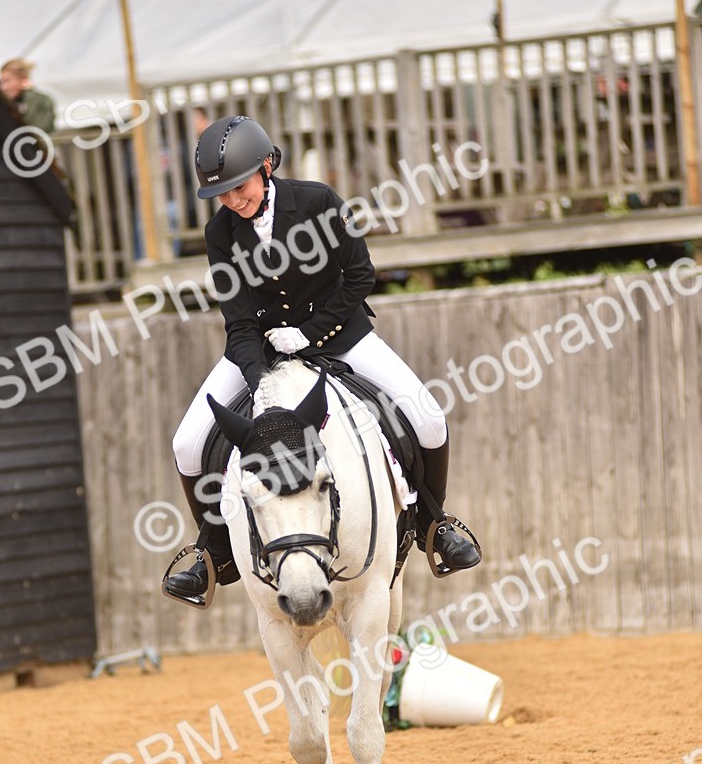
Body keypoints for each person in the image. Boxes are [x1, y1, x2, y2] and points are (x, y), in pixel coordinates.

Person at [162, 115, 480, 603]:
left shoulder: (317, 202)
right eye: (221, 194)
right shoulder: (220, 233)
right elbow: (239, 319)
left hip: (339, 334)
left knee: (429, 416)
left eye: (238, 187)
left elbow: (360, 277)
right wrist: (257, 375)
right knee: (187, 443)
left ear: (266, 166)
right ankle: (214, 552)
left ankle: (435, 524)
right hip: (262, 347)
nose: (231, 200)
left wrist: (309, 334)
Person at [0, 59, 55, 133]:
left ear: (23, 80)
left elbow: (39, 132)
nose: (3, 88)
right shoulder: (5, 104)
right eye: (1, 82)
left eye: (7, 81)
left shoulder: (42, 101)